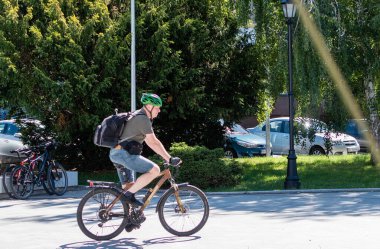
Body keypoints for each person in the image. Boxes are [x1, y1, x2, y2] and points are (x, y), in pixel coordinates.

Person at [109, 93, 182, 206]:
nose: (159, 111)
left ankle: (129, 221)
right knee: (155, 170)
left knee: (130, 187)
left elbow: (149, 143)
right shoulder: (142, 119)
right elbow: (153, 142)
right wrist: (169, 158)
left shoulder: (138, 116)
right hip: (124, 154)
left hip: (118, 153)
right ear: (149, 106)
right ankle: (128, 195)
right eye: (157, 108)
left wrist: (164, 156)